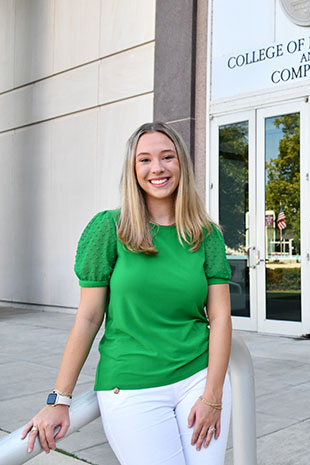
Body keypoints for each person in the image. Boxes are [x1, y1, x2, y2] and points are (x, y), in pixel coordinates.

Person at [21, 122, 233, 465]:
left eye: (168, 157)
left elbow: (221, 317)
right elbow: (88, 318)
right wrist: (59, 399)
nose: (158, 168)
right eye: (145, 160)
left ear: (182, 164)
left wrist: (213, 395)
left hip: (198, 378)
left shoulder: (205, 234)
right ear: (133, 170)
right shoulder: (110, 228)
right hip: (131, 387)